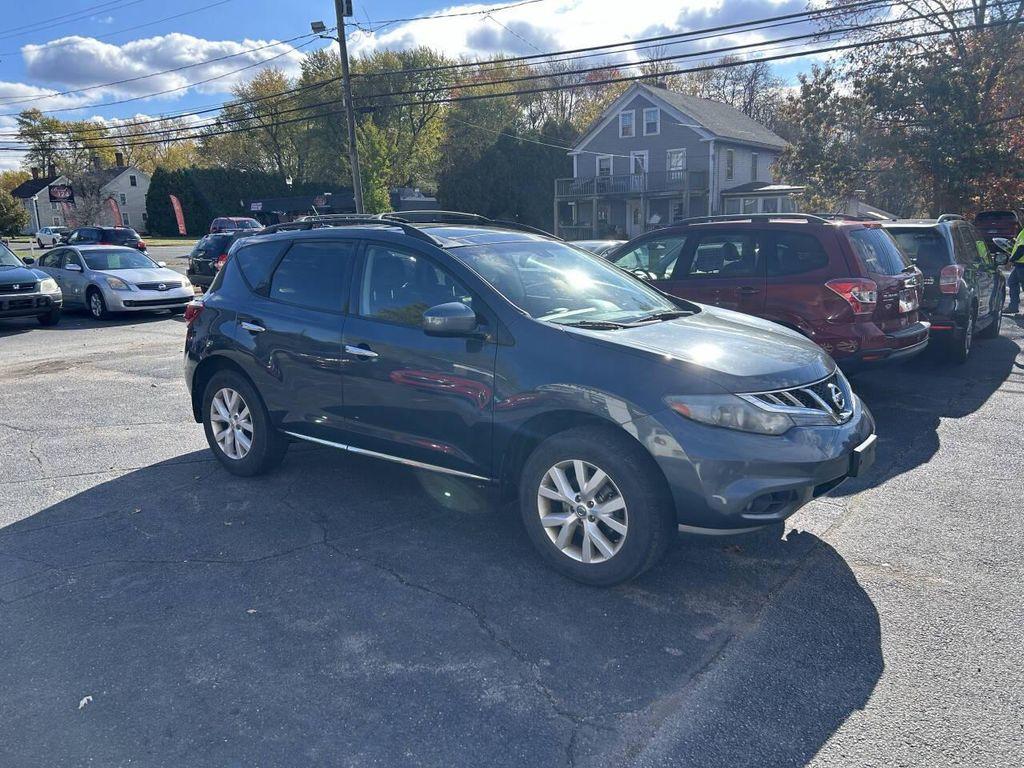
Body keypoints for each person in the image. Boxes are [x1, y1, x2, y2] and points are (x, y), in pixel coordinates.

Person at [1006, 227, 1024, 314]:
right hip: (1019, 265)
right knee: (1012, 282)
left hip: (1022, 265)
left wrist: (1011, 260)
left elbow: (1022, 248)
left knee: (1013, 282)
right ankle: (1013, 306)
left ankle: (1013, 306)